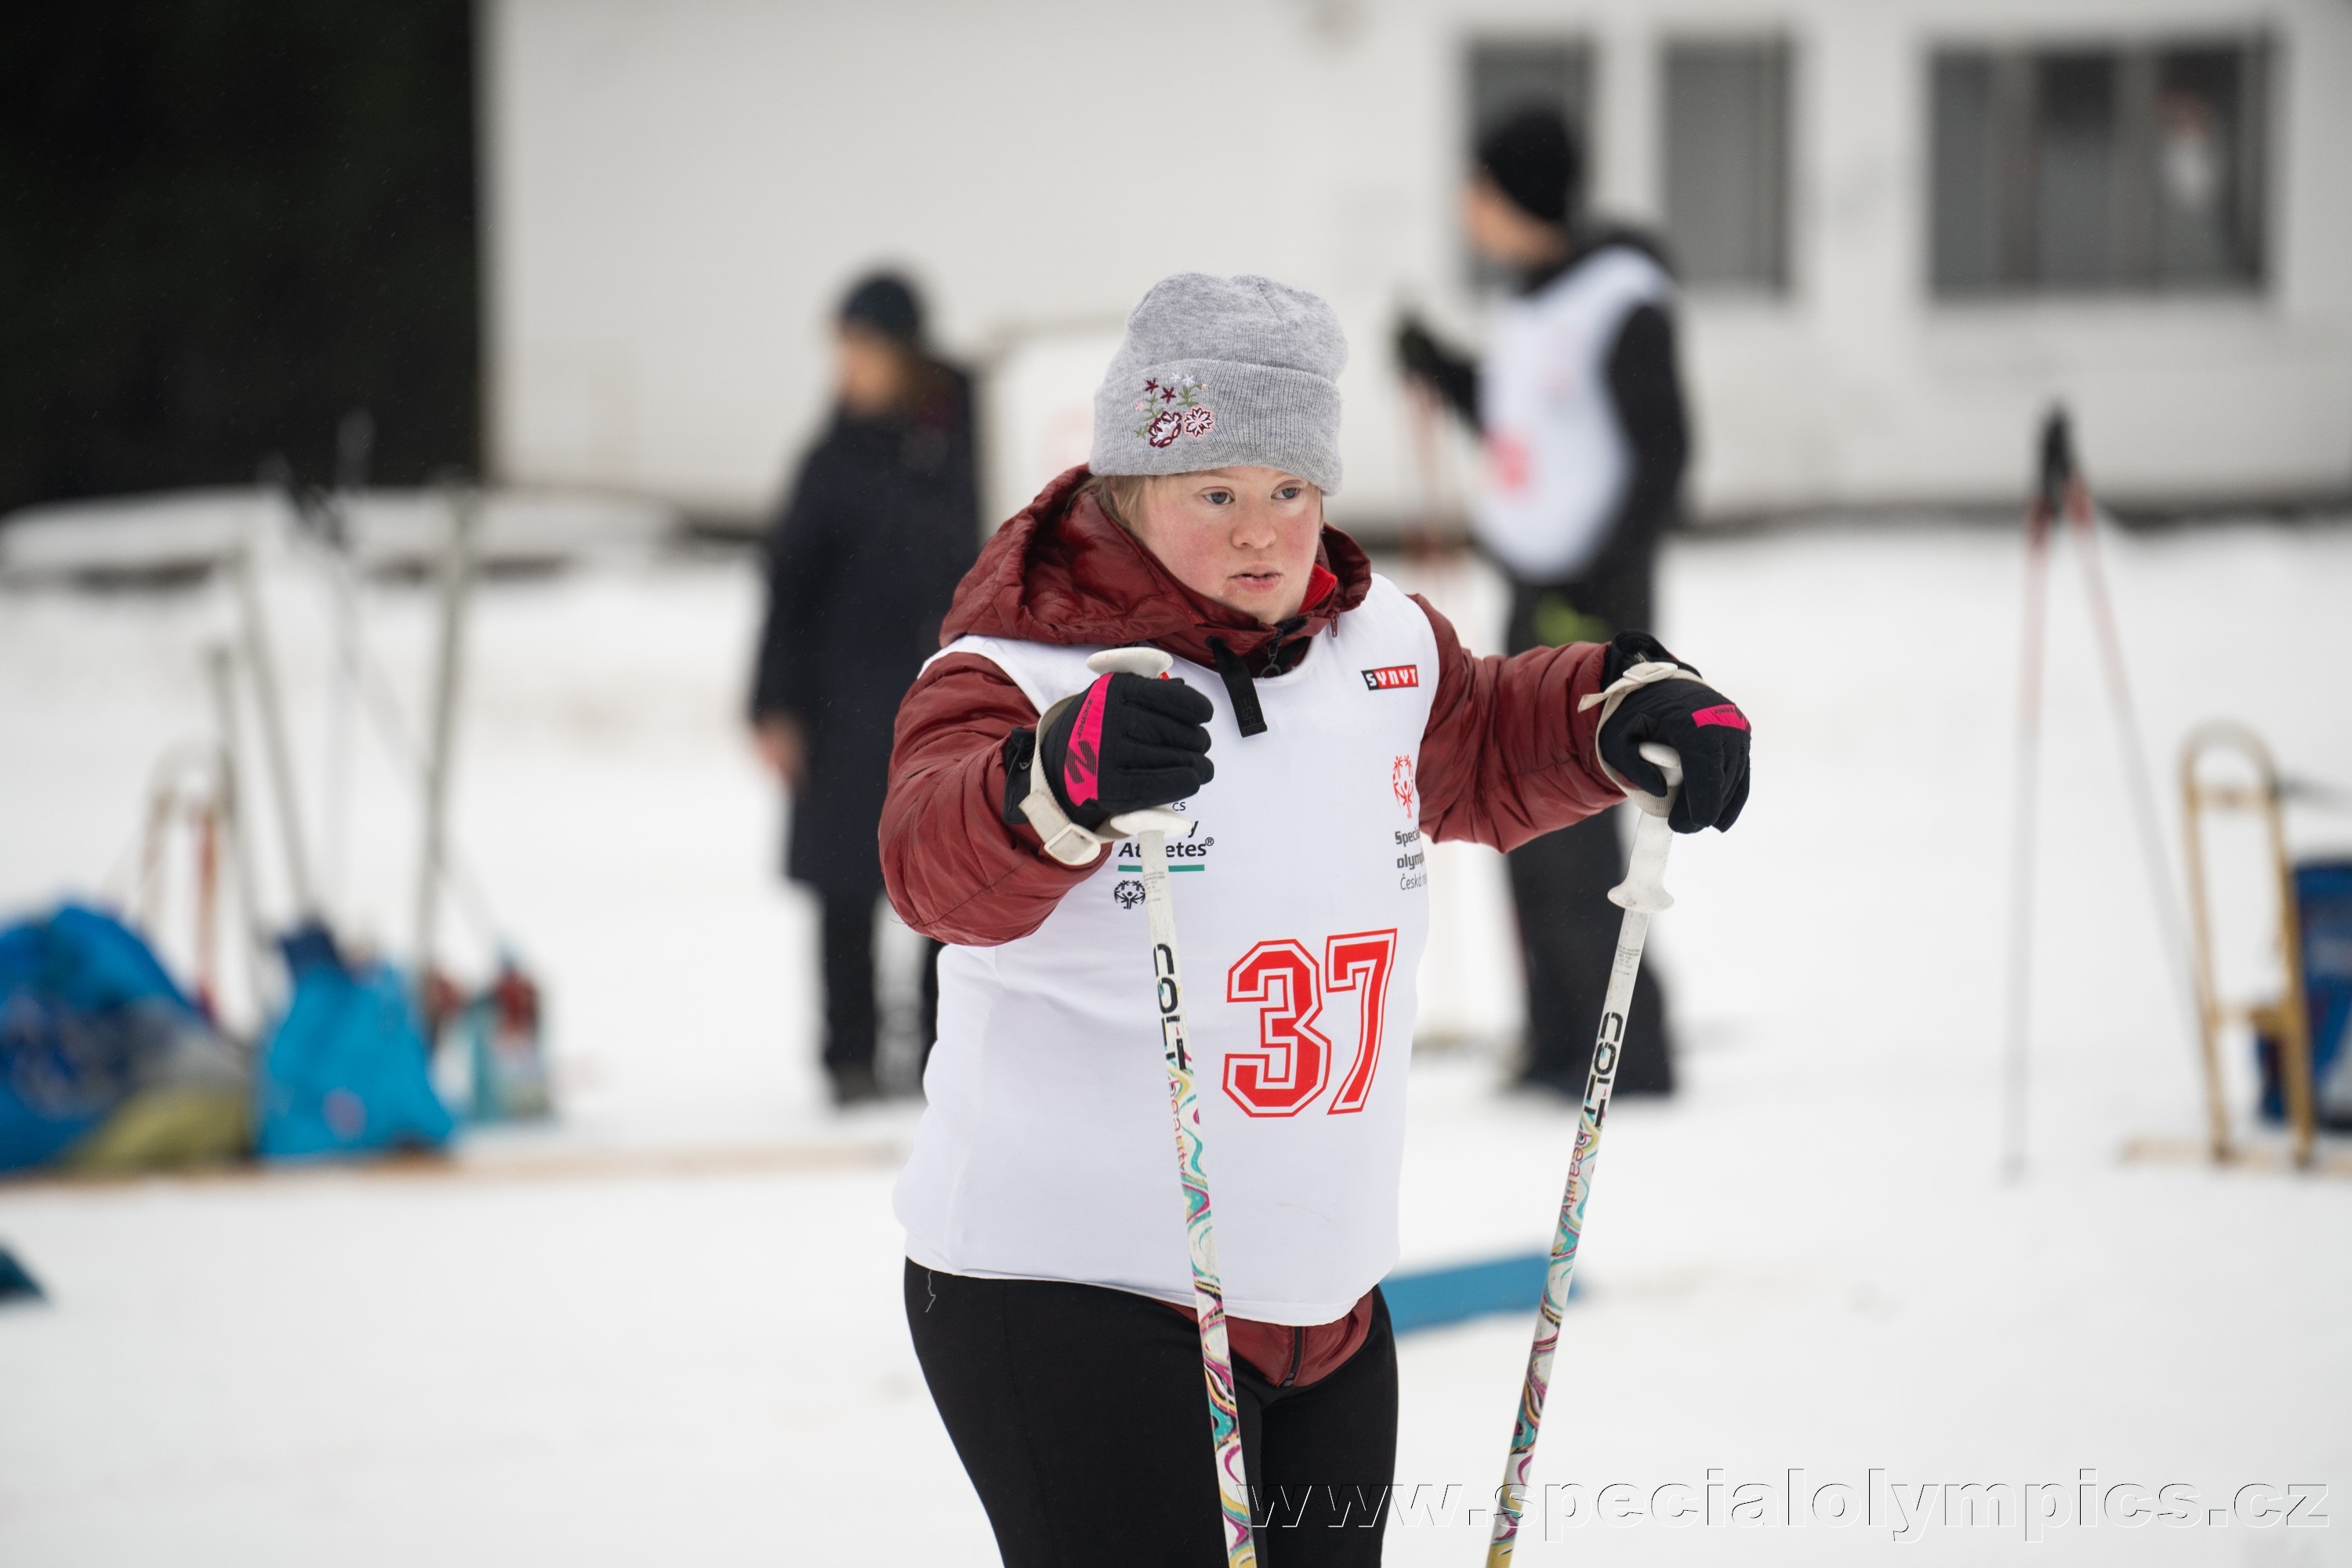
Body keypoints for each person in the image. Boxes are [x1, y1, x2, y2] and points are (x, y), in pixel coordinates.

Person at [880, 274, 1749, 1566]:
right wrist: (1051, 782)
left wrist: (1618, 711)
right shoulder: (1023, 667)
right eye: (1216, 492)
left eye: (1291, 490)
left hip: (1325, 1308)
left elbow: (1488, 732)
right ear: (1125, 483)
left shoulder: (1380, 646)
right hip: (1070, 1293)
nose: (1261, 534)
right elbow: (930, 862)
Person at [1396, 107, 1694, 1098]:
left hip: (1590, 598)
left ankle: (1628, 1052)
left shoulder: (1623, 299)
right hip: (1537, 585)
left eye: (1476, 186)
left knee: (1578, 822)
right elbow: (1529, 427)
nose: (1465, 208)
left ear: (1514, 193)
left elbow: (1663, 455)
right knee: (1521, 811)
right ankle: (1559, 1035)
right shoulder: (1532, 298)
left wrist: (1598, 583)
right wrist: (1444, 367)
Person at [750, 273, 978, 1106]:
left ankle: (940, 1055)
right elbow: (787, 586)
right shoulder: (832, 453)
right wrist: (773, 703)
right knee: (846, 887)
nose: (847, 367)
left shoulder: (966, 434)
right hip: (842, 705)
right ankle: (847, 1057)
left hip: (945, 697)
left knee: (950, 879)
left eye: (862, 349)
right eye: (840, 349)